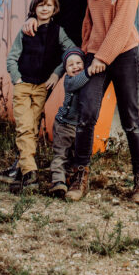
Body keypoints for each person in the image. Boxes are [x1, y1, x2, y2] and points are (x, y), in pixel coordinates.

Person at [0, 0, 94, 184]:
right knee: (32, 110)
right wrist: (31, 18)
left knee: (79, 108)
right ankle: (22, 167)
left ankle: (73, 167)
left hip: (82, 47)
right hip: (52, 43)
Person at [67, 0, 139, 205]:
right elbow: (90, 19)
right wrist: (87, 50)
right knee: (86, 114)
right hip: (96, 54)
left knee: (130, 118)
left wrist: (103, 57)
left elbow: (123, 22)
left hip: (124, 53)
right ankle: (80, 175)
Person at [5, 0, 75, 193]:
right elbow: (12, 57)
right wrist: (16, 79)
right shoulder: (26, 30)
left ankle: (24, 171)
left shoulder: (58, 31)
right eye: (40, 5)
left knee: (32, 128)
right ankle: (30, 173)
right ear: (34, 8)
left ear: (55, 9)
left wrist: (56, 74)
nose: (45, 8)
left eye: (49, 5)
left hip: (41, 87)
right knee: (24, 127)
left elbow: (71, 52)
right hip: (23, 86)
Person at [49, 47, 89, 197]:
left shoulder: (84, 79)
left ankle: (68, 179)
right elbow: (78, 82)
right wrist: (89, 71)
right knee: (61, 154)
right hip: (63, 125)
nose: (75, 67)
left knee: (73, 155)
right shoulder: (69, 80)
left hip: (77, 127)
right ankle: (57, 182)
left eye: (79, 63)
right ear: (65, 69)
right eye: (70, 65)